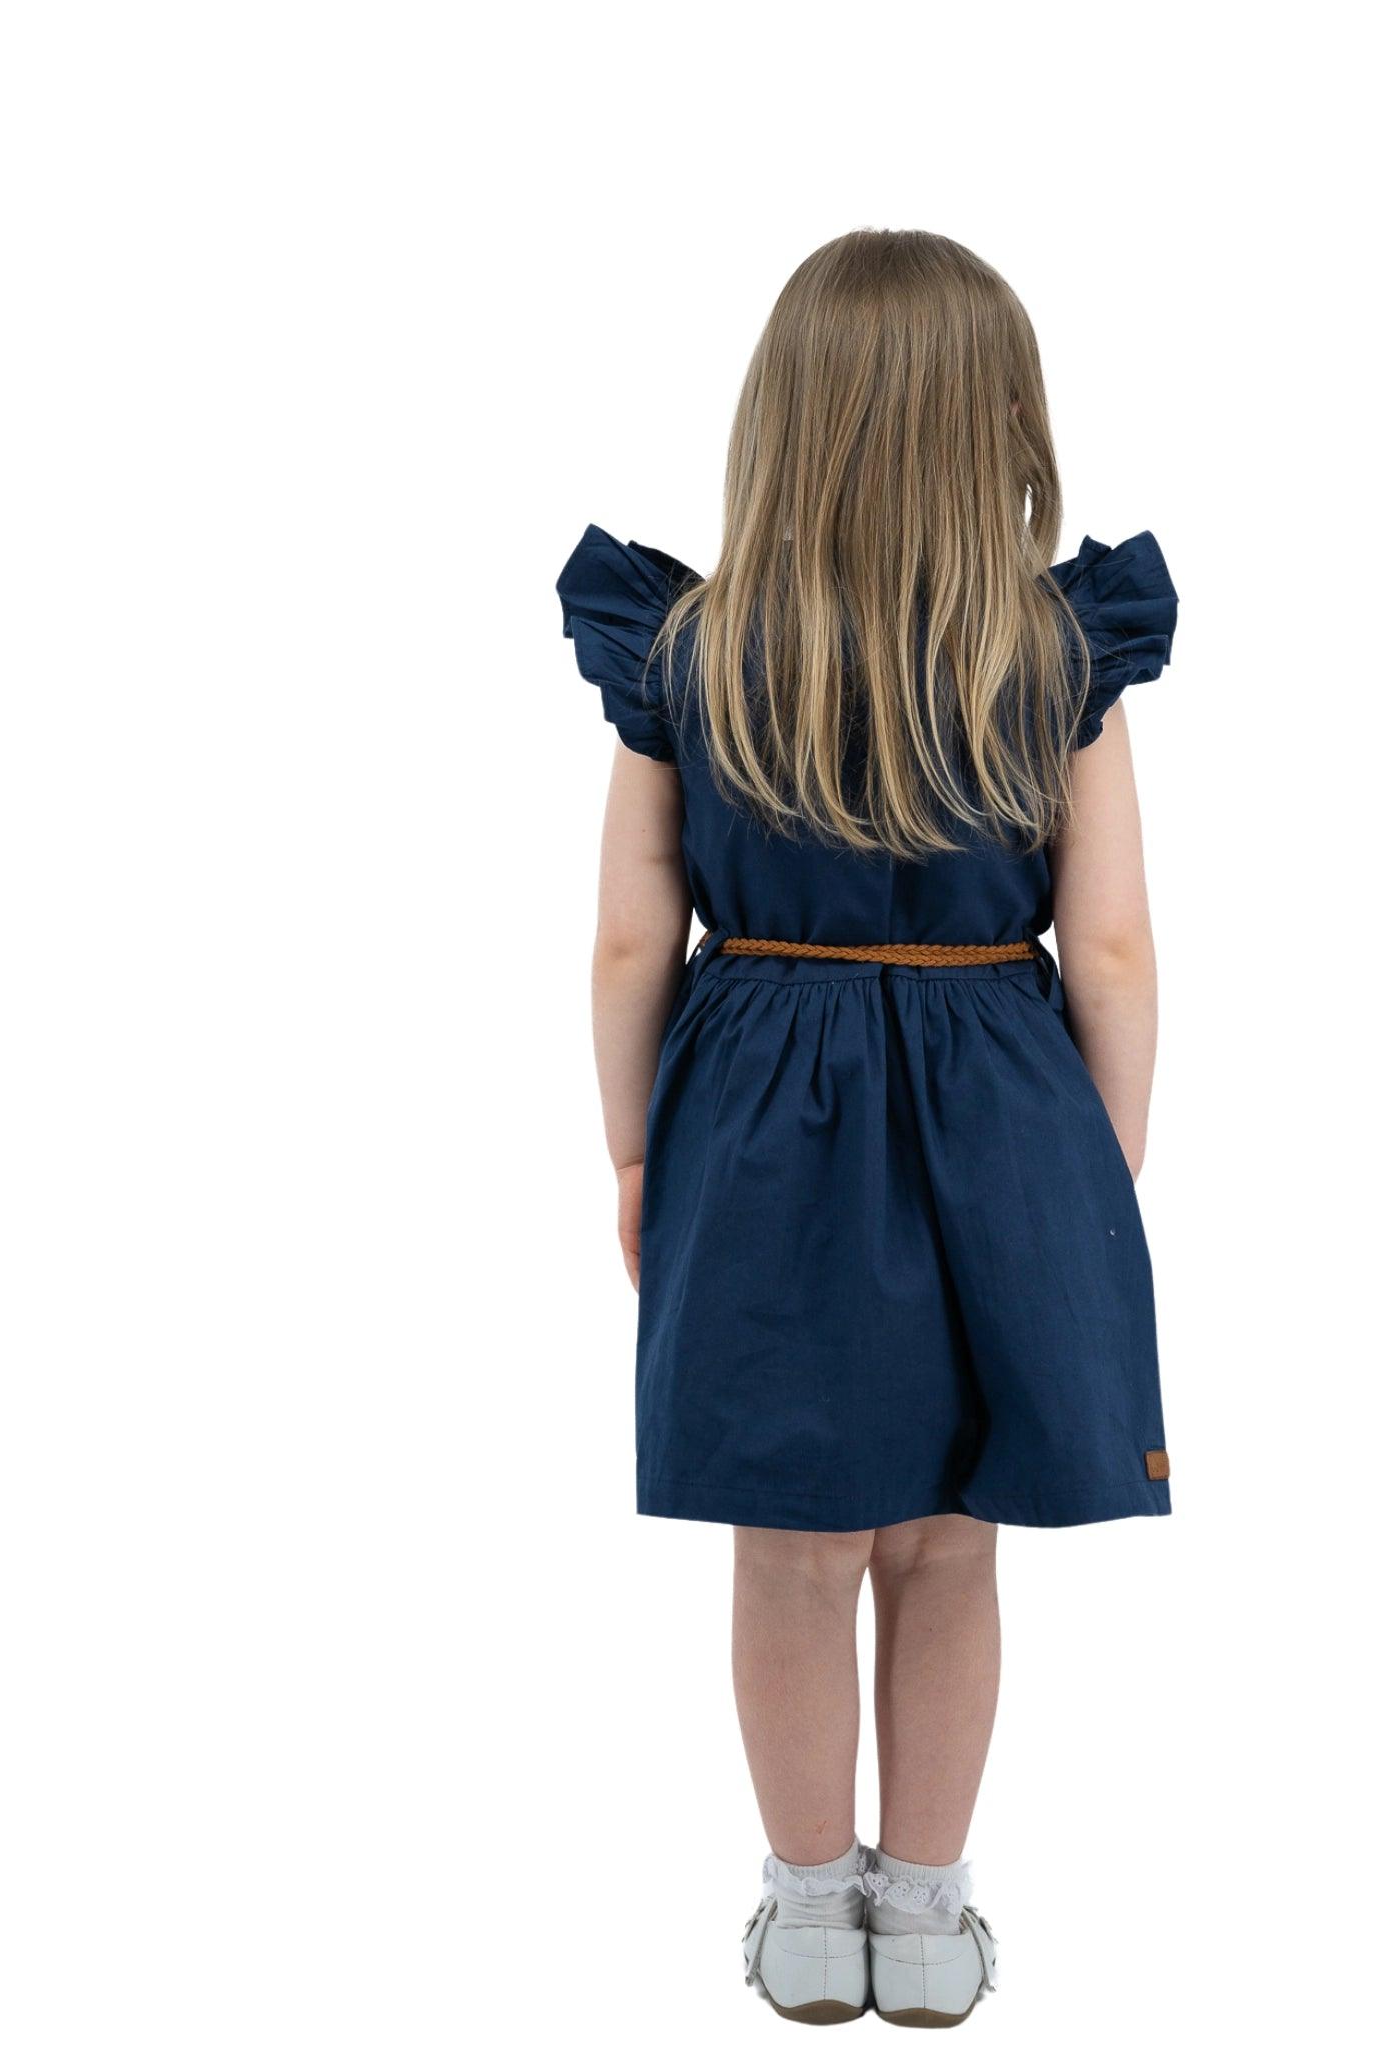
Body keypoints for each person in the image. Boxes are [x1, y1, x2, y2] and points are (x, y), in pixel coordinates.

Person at [558, 228, 1177, 2028]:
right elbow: (1118, 945)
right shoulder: (1054, 655)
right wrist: (1100, 1168)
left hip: (759, 1115)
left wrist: (630, 1154)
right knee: (951, 1539)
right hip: (999, 1096)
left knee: (794, 1538)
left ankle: (805, 1914)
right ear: (1003, 424)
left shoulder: (692, 651)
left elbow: (626, 934)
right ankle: (932, 1917)